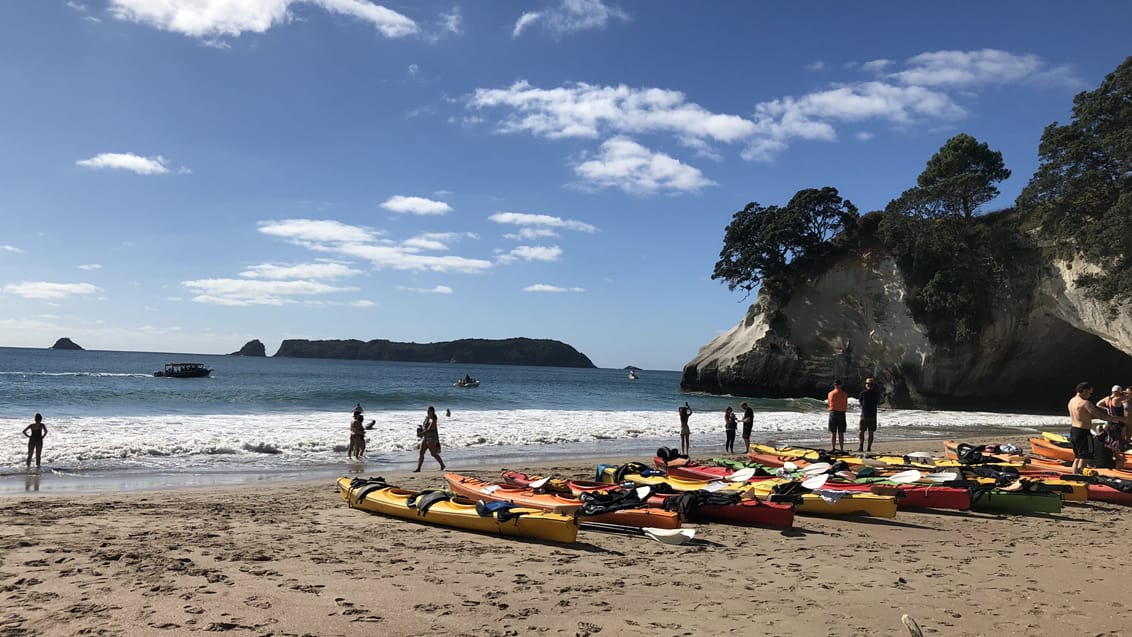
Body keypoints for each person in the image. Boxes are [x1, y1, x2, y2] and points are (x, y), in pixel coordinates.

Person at [1068, 382, 1126, 473]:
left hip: (1074, 431)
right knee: (1085, 457)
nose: (1090, 395)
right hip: (1083, 432)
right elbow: (1099, 415)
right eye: (1090, 393)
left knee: (1077, 457)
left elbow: (1085, 416)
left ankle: (1074, 475)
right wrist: (1116, 418)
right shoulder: (1086, 403)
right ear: (1084, 391)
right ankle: (1079, 477)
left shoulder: (1072, 401)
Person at [1097, 385, 1128, 469]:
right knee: (1119, 441)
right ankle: (1119, 461)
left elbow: (1098, 404)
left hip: (1110, 422)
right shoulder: (1117, 399)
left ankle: (1116, 456)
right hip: (1118, 423)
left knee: (1113, 441)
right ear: (1118, 392)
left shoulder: (1107, 399)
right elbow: (1127, 397)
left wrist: (1106, 408)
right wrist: (1126, 393)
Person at [414, 406, 446, 472]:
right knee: (421, 452)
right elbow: (425, 427)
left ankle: (442, 465)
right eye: (427, 411)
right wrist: (421, 428)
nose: (428, 412)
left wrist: (421, 433)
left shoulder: (433, 419)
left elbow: (429, 429)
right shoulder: (427, 418)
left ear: (432, 412)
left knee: (433, 453)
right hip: (425, 437)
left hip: (431, 438)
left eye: (429, 411)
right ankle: (419, 468)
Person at [857, 377, 880, 453]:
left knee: (862, 431)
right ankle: (869, 448)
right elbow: (878, 402)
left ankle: (861, 447)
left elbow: (860, 402)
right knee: (871, 432)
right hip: (873, 415)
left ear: (866, 385)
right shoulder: (876, 393)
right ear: (873, 385)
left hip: (864, 414)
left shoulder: (863, 393)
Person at [827, 380, 849, 453]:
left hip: (833, 412)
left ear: (834, 385)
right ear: (841, 385)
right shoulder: (844, 394)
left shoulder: (830, 393)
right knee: (841, 432)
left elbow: (829, 403)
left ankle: (833, 448)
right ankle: (842, 449)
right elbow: (845, 404)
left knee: (833, 432)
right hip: (841, 413)